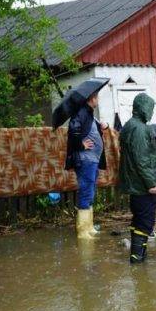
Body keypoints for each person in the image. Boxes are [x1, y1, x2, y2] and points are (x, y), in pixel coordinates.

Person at [118, 93, 156, 264]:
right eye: (150, 108)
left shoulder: (130, 125)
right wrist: (151, 184)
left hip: (134, 185)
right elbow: (141, 160)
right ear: (144, 108)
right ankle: (137, 260)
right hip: (142, 186)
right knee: (145, 222)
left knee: (138, 221)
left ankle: (139, 256)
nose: (151, 111)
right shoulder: (139, 129)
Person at [66, 91, 109, 239]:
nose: (98, 100)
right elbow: (73, 129)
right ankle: (83, 231)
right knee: (86, 191)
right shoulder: (82, 112)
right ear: (91, 98)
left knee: (90, 192)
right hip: (85, 159)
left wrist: (105, 126)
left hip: (92, 160)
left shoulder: (89, 113)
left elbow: (97, 128)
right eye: (97, 97)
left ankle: (89, 227)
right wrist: (81, 144)